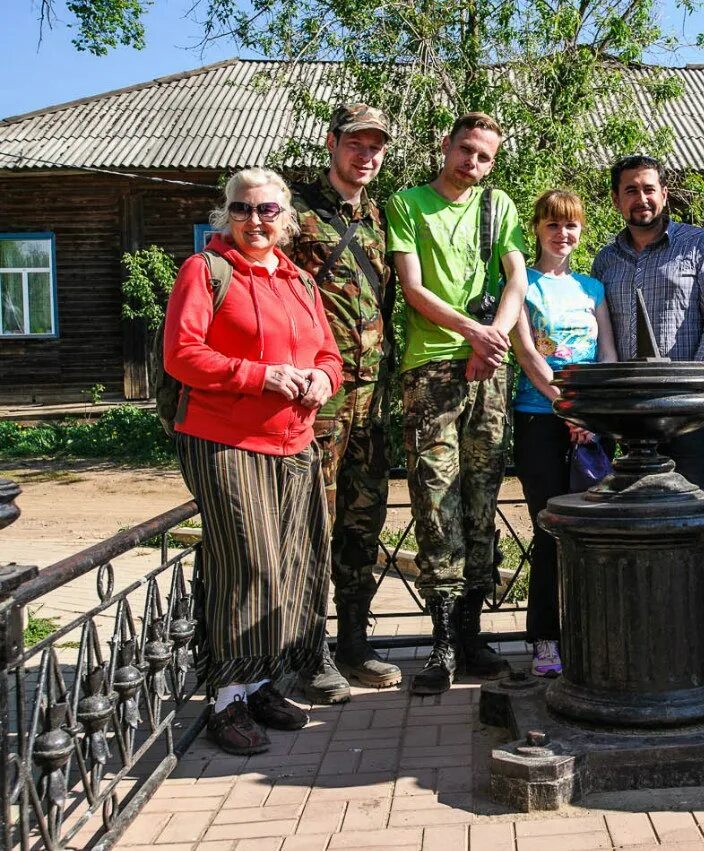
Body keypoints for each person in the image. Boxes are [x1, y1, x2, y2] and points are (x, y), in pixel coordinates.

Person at [164, 167, 342, 754]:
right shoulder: (205, 271)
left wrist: (321, 377)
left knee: (291, 568)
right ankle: (224, 698)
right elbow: (184, 356)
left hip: (294, 442)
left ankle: (263, 682)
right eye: (242, 209)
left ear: (286, 217)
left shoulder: (299, 283)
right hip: (225, 439)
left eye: (268, 210)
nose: (255, 221)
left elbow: (329, 356)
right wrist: (262, 377)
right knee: (250, 565)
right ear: (226, 215)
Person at [386, 112, 528, 696]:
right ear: (445, 146)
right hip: (433, 371)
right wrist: (475, 333)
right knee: (435, 496)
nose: (473, 163)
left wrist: (491, 340)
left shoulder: (500, 207)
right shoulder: (408, 203)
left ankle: (473, 636)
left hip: (488, 369)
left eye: (485, 156)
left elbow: (517, 279)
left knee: (481, 497)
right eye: (466, 150)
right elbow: (414, 289)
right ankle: (441, 644)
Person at [287, 103, 400, 702]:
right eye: (356, 143)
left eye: (375, 146)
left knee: (364, 519)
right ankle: (310, 651)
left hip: (373, 394)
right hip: (318, 398)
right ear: (332, 144)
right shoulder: (291, 213)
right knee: (313, 522)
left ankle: (354, 641)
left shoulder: (380, 219)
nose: (366, 155)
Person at [511, 189, 618, 677]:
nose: (563, 234)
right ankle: (545, 638)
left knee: (594, 533)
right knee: (550, 527)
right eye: (553, 225)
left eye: (571, 225)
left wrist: (593, 414)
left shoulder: (591, 289)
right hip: (541, 418)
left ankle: (592, 630)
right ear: (537, 228)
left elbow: (608, 356)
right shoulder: (522, 282)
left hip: (591, 426)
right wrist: (565, 407)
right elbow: (528, 353)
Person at [592, 154, 704, 488]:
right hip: (630, 411)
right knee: (635, 506)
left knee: (690, 504)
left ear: (664, 194)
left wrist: (690, 389)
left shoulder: (698, 244)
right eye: (631, 190)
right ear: (616, 199)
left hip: (686, 410)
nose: (641, 199)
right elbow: (599, 333)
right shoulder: (606, 260)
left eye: (649, 189)